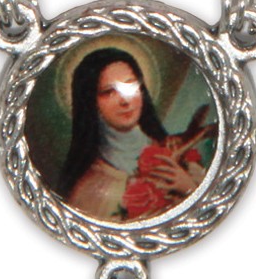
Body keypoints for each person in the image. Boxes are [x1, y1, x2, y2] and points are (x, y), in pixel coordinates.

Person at [58, 47, 210, 221]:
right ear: (91, 102)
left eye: (130, 86)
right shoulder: (88, 190)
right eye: (109, 92)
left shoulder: (175, 152)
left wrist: (188, 188)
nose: (125, 100)